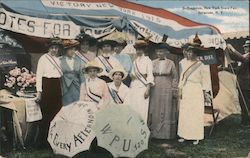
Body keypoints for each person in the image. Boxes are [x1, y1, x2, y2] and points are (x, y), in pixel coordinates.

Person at [177, 43, 210, 145]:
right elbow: (181, 78)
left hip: (196, 89)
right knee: (185, 112)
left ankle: (196, 136)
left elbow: (205, 80)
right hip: (186, 88)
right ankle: (184, 134)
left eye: (191, 52)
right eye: (188, 52)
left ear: (195, 53)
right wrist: (180, 89)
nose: (189, 54)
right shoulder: (183, 63)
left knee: (195, 112)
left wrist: (204, 92)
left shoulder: (202, 65)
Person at [35, 37, 63, 147]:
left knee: (56, 113)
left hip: (57, 86)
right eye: (52, 48)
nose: (54, 50)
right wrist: (39, 92)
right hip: (47, 85)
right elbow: (38, 76)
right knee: (46, 114)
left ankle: (54, 140)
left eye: (56, 48)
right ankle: (42, 141)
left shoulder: (60, 60)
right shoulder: (43, 58)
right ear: (49, 48)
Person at [149, 42, 178, 139]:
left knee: (166, 109)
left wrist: (174, 89)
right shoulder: (153, 62)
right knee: (155, 108)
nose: (159, 53)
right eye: (158, 52)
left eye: (161, 51)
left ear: (166, 52)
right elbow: (149, 76)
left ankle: (166, 134)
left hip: (167, 88)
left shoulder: (171, 63)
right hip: (155, 88)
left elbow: (175, 77)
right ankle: (155, 134)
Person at [130, 38, 154, 123]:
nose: (138, 51)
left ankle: (142, 131)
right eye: (137, 50)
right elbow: (132, 75)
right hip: (134, 86)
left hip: (143, 87)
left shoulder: (148, 60)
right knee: (134, 108)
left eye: (140, 49)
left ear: (144, 50)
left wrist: (148, 89)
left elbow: (150, 75)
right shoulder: (135, 61)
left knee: (142, 109)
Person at [60, 39, 85, 106]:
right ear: (66, 50)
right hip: (65, 87)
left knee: (77, 106)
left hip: (77, 87)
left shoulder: (78, 60)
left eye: (74, 49)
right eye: (70, 49)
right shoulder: (60, 60)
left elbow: (82, 76)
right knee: (66, 107)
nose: (72, 51)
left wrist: (83, 88)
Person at [237, 40, 250, 127]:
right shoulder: (243, 57)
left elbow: (244, 60)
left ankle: (247, 121)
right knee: (242, 102)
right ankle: (244, 121)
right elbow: (238, 70)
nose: (245, 48)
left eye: (247, 46)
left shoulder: (247, 57)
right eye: (244, 47)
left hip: (247, 83)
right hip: (241, 84)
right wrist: (225, 68)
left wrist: (233, 51)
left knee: (247, 103)